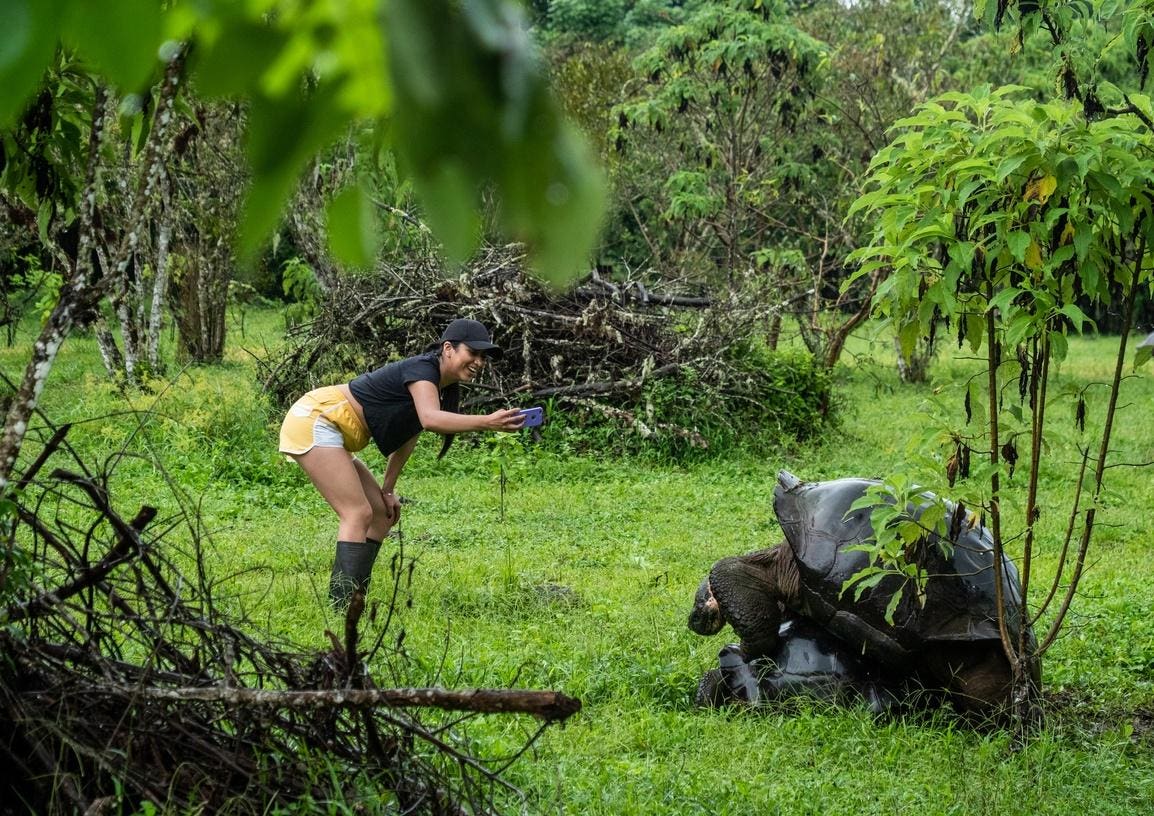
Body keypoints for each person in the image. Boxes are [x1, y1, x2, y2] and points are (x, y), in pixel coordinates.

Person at [279, 318, 527, 607]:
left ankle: (356, 598)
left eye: (483, 357)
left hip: (334, 430)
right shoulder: (423, 370)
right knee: (357, 513)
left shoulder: (439, 385)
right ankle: (342, 607)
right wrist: (487, 422)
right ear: (448, 348)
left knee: (381, 514)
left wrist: (387, 490)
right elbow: (431, 420)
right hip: (317, 418)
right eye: (473, 353)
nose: (479, 362)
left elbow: (409, 435)